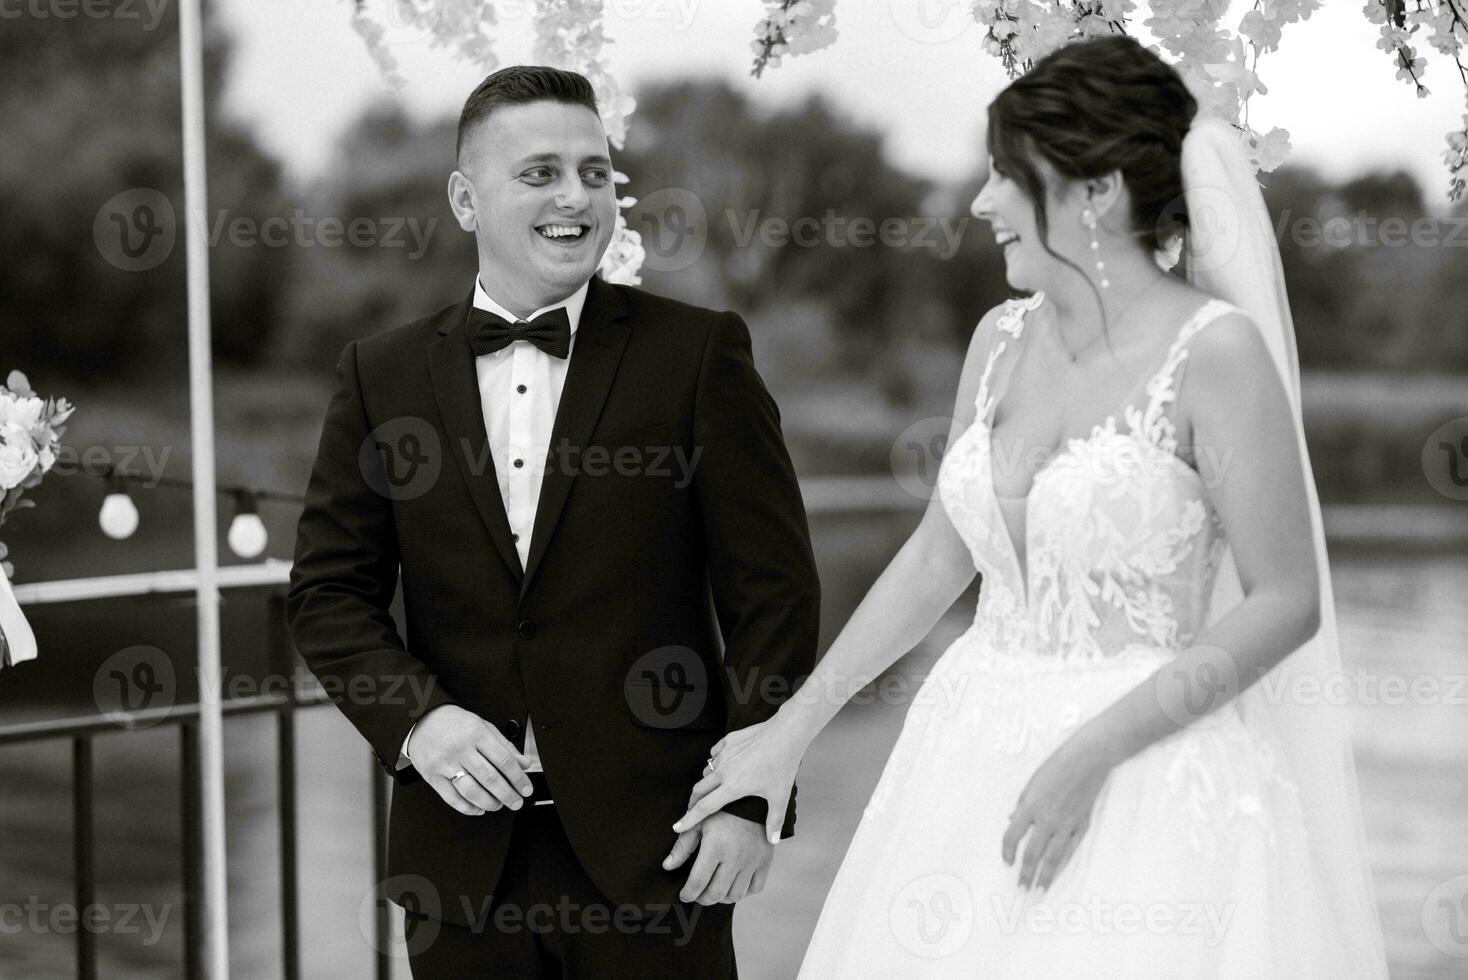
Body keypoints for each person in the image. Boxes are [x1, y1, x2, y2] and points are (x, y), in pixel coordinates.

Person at [675, 35, 1388, 976]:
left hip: (1149, 771)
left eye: (1007, 175)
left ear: (1095, 191)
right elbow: (940, 554)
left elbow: (1285, 601)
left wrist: (1093, 750)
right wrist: (789, 732)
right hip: (966, 759)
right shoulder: (1000, 339)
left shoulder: (1217, 355)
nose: (980, 203)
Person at [286, 65, 821, 978]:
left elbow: (772, 592)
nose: (576, 196)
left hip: (665, 855)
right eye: (539, 173)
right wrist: (418, 724)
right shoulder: (381, 374)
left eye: (594, 171)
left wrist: (750, 800)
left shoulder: (698, 355)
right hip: (458, 867)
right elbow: (331, 596)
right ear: (466, 198)